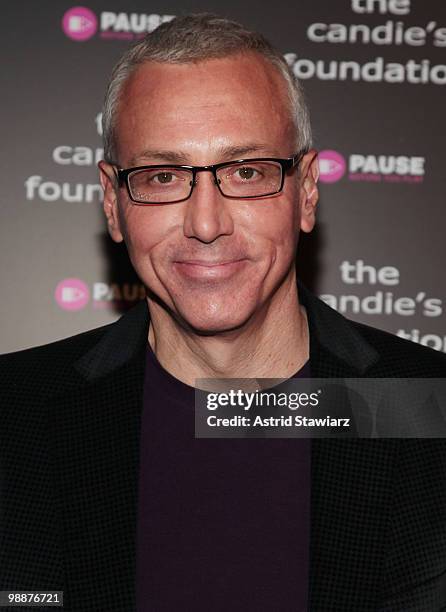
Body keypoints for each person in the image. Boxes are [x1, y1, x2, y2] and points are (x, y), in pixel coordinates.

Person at [1, 13, 446, 612]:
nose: (205, 224)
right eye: (162, 177)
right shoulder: (16, 415)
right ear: (113, 202)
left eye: (246, 171)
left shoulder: (427, 408)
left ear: (306, 190)